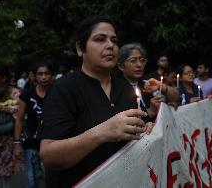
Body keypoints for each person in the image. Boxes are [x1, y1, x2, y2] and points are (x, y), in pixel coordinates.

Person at [39, 16, 154, 188]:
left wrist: (148, 131)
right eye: (100, 39)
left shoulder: (124, 88)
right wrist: (102, 132)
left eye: (114, 41)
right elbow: (49, 156)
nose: (110, 45)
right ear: (80, 48)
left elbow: (137, 131)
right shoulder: (63, 88)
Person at [14, 61, 54, 188]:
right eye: (40, 74)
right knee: (31, 181)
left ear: (52, 75)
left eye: (47, 73)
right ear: (35, 76)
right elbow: (19, 119)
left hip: (53, 142)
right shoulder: (26, 94)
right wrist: (16, 143)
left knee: (52, 179)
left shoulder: (58, 93)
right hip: (31, 142)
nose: (43, 77)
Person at [117, 42, 164, 118]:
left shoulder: (147, 85)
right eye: (133, 61)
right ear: (121, 66)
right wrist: (150, 111)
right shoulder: (117, 89)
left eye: (142, 60)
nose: (139, 65)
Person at [0, 64, 23, 188]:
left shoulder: (14, 92)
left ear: (4, 78)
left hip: (7, 137)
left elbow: (19, 112)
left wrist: (0, 107)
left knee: (7, 171)